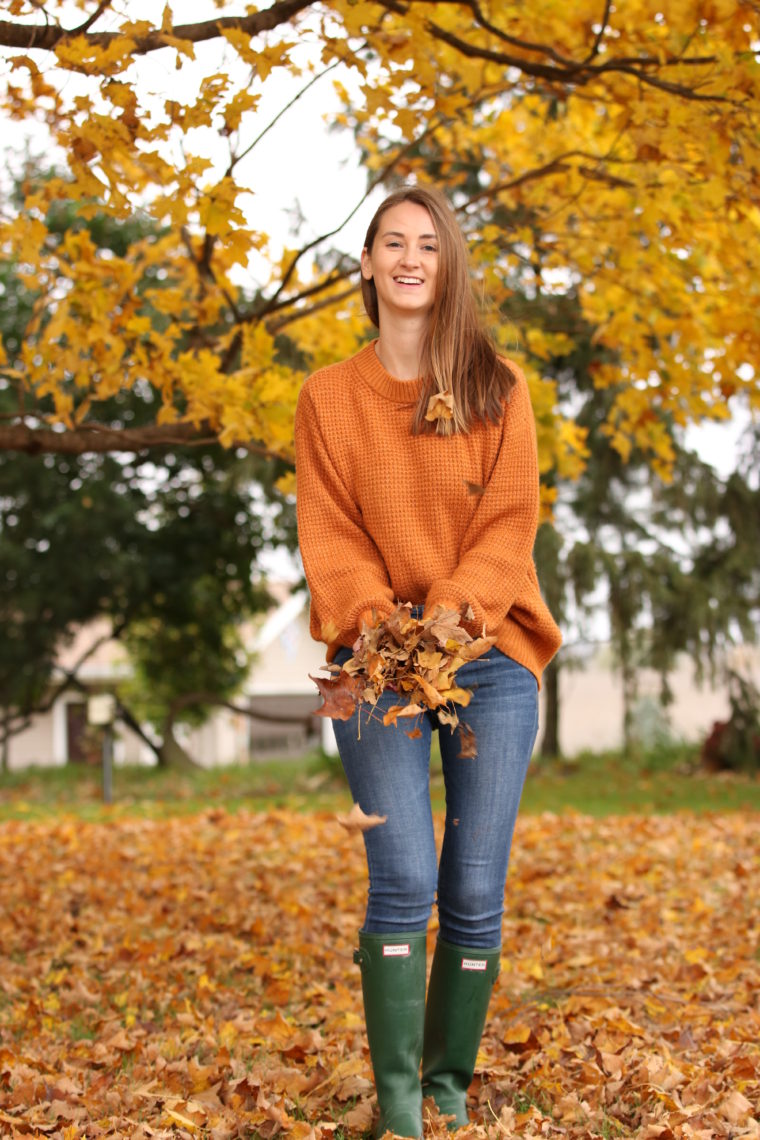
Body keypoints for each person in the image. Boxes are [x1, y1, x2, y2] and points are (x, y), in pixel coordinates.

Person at [294, 185, 562, 1138]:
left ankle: (448, 1085)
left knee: (474, 889)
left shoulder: (497, 387)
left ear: (447, 268)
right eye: (392, 244)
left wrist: (443, 624)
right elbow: (329, 535)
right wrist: (383, 630)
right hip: (374, 661)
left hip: (490, 654)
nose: (410, 258)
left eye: (429, 246)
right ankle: (401, 1110)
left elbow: (508, 528)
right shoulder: (329, 397)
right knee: (403, 877)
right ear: (367, 265)